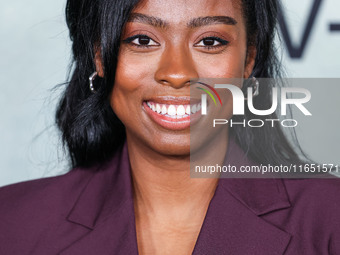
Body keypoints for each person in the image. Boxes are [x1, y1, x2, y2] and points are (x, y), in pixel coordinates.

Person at [0, 0, 339, 254]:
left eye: (210, 42)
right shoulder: (12, 223)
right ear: (100, 56)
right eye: (143, 40)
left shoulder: (329, 219)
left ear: (248, 60)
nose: (177, 73)